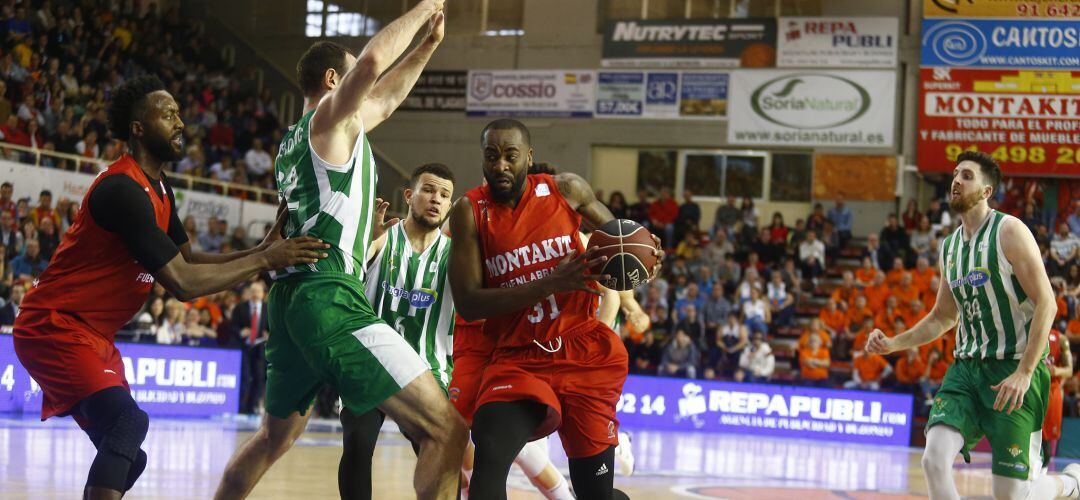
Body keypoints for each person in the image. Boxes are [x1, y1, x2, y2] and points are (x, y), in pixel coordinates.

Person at [11, 75, 326, 500]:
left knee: (128, 455)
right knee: (128, 425)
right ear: (138, 127)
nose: (181, 123)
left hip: (92, 335)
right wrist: (266, 260)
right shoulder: (123, 189)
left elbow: (190, 260)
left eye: (179, 113)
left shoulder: (161, 189)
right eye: (168, 114)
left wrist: (259, 250)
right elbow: (181, 283)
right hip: (54, 325)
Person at [214, 5, 468, 500]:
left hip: (289, 302)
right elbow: (374, 64)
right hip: (329, 294)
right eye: (352, 77)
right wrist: (424, 9)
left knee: (274, 437)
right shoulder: (328, 120)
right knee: (448, 428)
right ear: (334, 78)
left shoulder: (302, 138)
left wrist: (428, 46)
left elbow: (387, 99)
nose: (365, 86)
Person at [448, 118, 660, 500]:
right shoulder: (469, 210)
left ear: (528, 157)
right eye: (491, 156)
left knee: (595, 494)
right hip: (518, 355)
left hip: (582, 352)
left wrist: (645, 257)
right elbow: (468, 300)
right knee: (490, 457)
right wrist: (551, 282)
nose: (500, 165)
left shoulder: (566, 190)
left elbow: (621, 240)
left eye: (510, 156)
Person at [867, 150, 1080, 499]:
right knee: (933, 461)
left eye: (966, 175)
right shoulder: (949, 247)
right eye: (954, 174)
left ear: (986, 191)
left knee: (1012, 494)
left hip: (1013, 368)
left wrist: (1025, 372)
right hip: (966, 370)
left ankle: (1071, 484)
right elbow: (943, 317)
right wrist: (893, 343)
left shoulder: (1009, 231)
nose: (956, 180)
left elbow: (1048, 302)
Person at [1043, 329, 1073, 468]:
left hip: (1051, 391)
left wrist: (1055, 370)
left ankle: (1041, 475)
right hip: (1030, 389)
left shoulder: (1061, 339)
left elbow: (1069, 370)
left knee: (1046, 441)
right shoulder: (1026, 331)